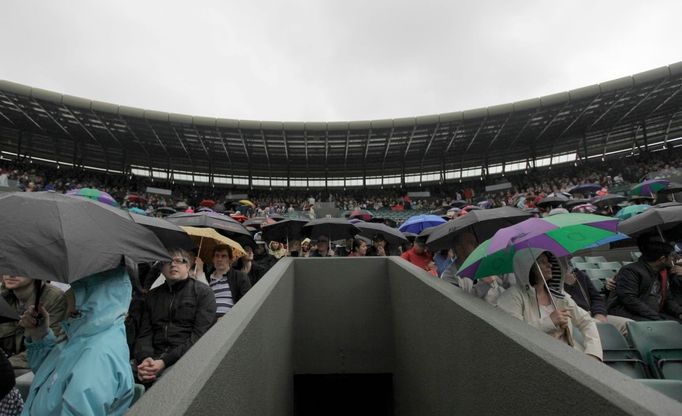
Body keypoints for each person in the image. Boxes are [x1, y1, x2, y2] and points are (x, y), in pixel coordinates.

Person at [19, 267, 135, 415]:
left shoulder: (98, 357)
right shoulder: (83, 334)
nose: (68, 293)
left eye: (77, 287)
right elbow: (52, 381)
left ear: (92, 296)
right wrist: (39, 335)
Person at [497, 249, 603, 360]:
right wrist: (550, 321)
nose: (550, 265)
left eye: (549, 261)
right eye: (542, 262)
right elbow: (513, 333)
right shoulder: (511, 297)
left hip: (570, 357)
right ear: (527, 266)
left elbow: (586, 321)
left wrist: (593, 354)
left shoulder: (559, 296)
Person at [135, 249, 217, 384]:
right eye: (167, 261)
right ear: (161, 268)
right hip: (152, 357)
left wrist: (164, 361)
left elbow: (199, 337)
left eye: (179, 260)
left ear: (188, 266)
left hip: (183, 359)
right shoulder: (152, 296)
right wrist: (145, 359)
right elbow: (144, 334)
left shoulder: (203, 293)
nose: (173, 264)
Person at [607, 234, 682, 322]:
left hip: (652, 313)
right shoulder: (631, 271)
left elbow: (668, 299)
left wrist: (679, 313)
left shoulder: (663, 272)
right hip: (629, 315)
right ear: (662, 259)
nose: (674, 259)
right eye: (671, 256)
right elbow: (629, 299)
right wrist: (657, 318)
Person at [0, 277, 66, 370]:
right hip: (8, 364)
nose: (11, 274)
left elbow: (50, 347)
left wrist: (5, 365)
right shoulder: (3, 296)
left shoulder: (53, 298)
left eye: (20, 268)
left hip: (36, 366)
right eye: (8, 267)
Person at [441, 232, 512, 304]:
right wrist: (485, 284)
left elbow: (507, 286)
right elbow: (461, 303)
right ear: (460, 248)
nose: (476, 246)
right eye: (472, 243)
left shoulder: (485, 262)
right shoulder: (449, 276)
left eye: (476, 243)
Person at [563, 266, 631, 334]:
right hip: (574, 318)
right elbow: (562, 302)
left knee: (629, 326)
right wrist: (567, 284)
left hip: (592, 314)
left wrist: (599, 313)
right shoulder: (554, 278)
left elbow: (596, 298)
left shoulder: (580, 275)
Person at [207, 245, 252, 316]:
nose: (219, 259)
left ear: (230, 260)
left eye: (224, 256)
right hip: (209, 320)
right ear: (213, 259)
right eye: (217, 256)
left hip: (230, 319)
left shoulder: (239, 276)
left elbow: (246, 302)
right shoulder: (207, 279)